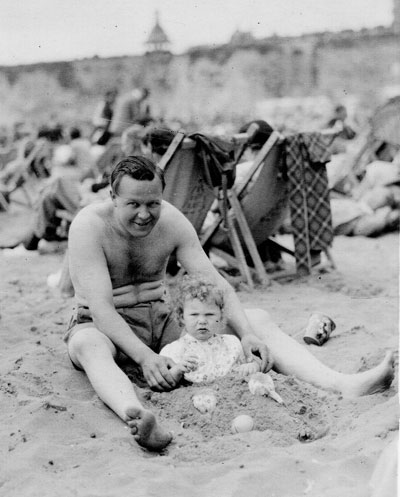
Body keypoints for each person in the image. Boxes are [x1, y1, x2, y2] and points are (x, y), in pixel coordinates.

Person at [65, 155, 394, 452]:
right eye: (133, 204)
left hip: (162, 320)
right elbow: (102, 309)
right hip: (106, 327)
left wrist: (247, 333)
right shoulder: (89, 226)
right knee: (87, 343)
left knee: (258, 319)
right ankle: (137, 417)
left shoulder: (171, 221)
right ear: (112, 197)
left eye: (153, 203)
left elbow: (216, 285)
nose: (144, 214)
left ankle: (342, 384)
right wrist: (145, 358)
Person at [160, 275, 261, 384]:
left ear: (220, 316)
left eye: (209, 314)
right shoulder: (174, 350)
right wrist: (178, 370)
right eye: (194, 314)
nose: (202, 321)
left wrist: (252, 366)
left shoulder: (231, 344)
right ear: (182, 317)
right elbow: (166, 382)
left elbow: (249, 365)